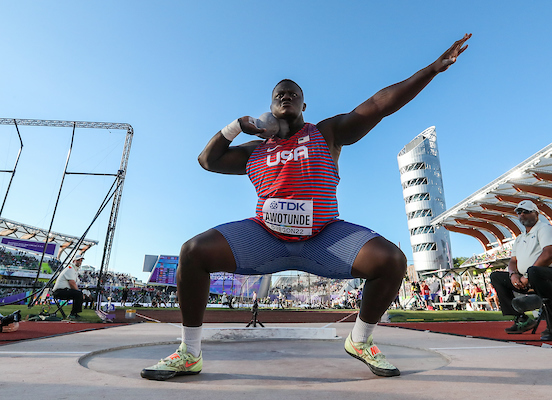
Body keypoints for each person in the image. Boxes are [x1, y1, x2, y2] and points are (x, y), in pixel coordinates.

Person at [141, 34, 471, 381]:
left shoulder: (327, 132)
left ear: (303, 106)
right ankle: (190, 352)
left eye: (293, 93)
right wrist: (236, 126)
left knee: (392, 260)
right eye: (279, 94)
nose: (286, 96)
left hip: (323, 238)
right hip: (264, 237)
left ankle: (360, 340)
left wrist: (432, 69)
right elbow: (207, 161)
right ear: (269, 106)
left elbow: (378, 105)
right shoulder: (256, 148)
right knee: (192, 252)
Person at [490, 200, 552, 340]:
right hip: (533, 278)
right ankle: (521, 318)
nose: (522, 214)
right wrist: (513, 275)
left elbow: (549, 254)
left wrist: (527, 276)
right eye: (519, 212)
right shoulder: (520, 238)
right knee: (496, 276)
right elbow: (513, 261)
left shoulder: (545, 229)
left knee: (535, 271)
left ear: (536, 213)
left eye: (526, 211)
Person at [52, 254, 85, 320]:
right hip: (59, 291)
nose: (80, 262)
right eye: (78, 260)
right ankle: (73, 314)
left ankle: (74, 313)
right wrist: (79, 292)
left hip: (63, 290)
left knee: (79, 294)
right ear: (73, 261)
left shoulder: (74, 270)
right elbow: (72, 283)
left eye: (81, 260)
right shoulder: (70, 269)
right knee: (78, 294)